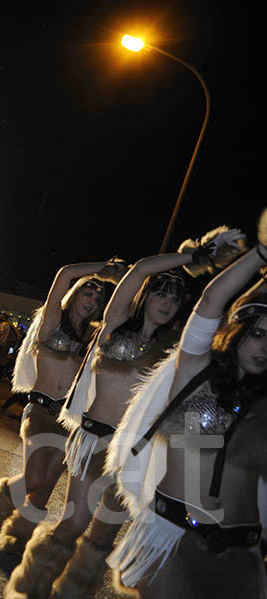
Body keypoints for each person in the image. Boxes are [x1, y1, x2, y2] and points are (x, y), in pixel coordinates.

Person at [4, 227, 247, 599]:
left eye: (175, 298)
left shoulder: (174, 349)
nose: (167, 303)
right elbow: (140, 270)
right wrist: (197, 257)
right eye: (161, 294)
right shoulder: (113, 325)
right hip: (90, 439)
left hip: (128, 454)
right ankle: (31, 584)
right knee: (74, 524)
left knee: (102, 535)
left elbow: (220, 319)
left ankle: (70, 592)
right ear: (145, 297)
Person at [106, 222, 267, 599]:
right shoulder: (194, 370)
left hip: (242, 552)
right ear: (236, 332)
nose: (266, 346)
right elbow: (211, 301)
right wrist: (261, 255)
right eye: (258, 333)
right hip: (172, 537)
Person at [0, 261, 122, 554]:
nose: (92, 301)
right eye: (87, 293)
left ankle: (18, 535)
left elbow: (116, 321)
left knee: (44, 488)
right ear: (75, 295)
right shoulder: (52, 321)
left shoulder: (92, 336)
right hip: (38, 412)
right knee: (34, 477)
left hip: (67, 421)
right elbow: (63, 273)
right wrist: (103, 270)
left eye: (98, 299)